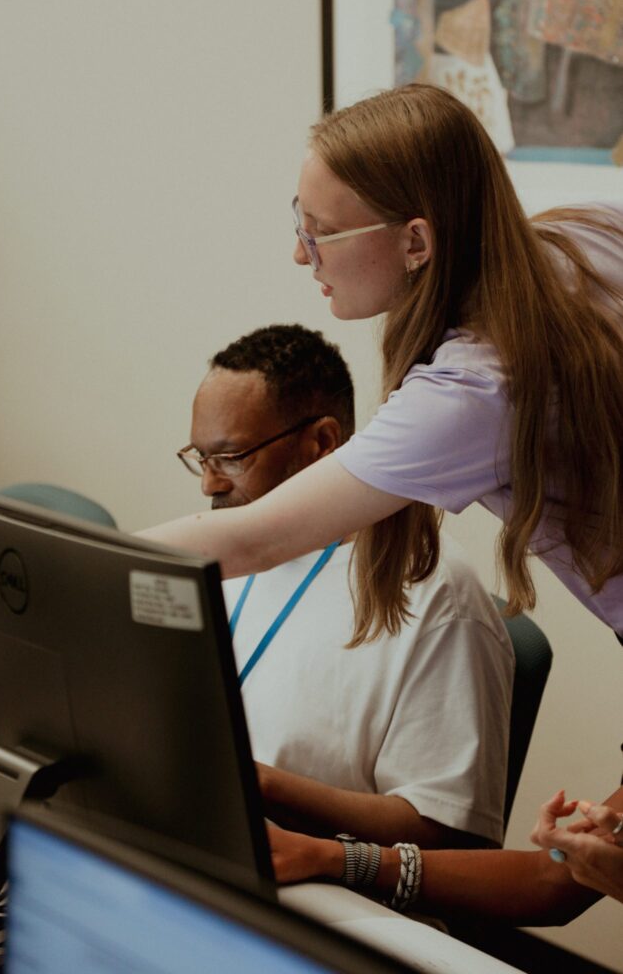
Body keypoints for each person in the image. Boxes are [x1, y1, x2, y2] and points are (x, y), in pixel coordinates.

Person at [140, 83, 623, 912]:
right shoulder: (584, 231)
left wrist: (48, 568)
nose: (301, 254)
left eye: (319, 233)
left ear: (415, 241)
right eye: (300, 221)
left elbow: (250, 538)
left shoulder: (471, 391)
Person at [180, 323, 514, 849]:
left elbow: (449, 837)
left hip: (325, 895)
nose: (210, 483)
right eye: (201, 458)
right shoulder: (219, 557)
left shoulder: (432, 592)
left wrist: (263, 786)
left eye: (231, 458)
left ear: (322, 443)